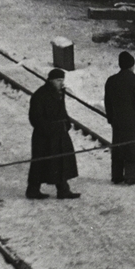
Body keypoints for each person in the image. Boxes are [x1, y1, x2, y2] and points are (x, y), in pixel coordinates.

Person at [27, 68, 80, 199]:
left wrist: (66, 123)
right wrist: (49, 130)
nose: (61, 83)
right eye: (58, 80)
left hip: (59, 133)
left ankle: (63, 190)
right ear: (50, 80)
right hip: (45, 137)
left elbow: (62, 111)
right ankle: (32, 190)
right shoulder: (40, 95)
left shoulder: (59, 93)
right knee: (40, 164)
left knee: (61, 162)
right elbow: (35, 118)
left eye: (62, 80)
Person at [103, 51, 135, 185]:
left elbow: (107, 102)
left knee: (118, 148)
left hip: (117, 122)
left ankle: (116, 176)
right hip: (133, 122)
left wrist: (111, 118)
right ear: (131, 66)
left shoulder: (111, 80)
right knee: (132, 149)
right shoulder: (134, 81)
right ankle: (130, 176)